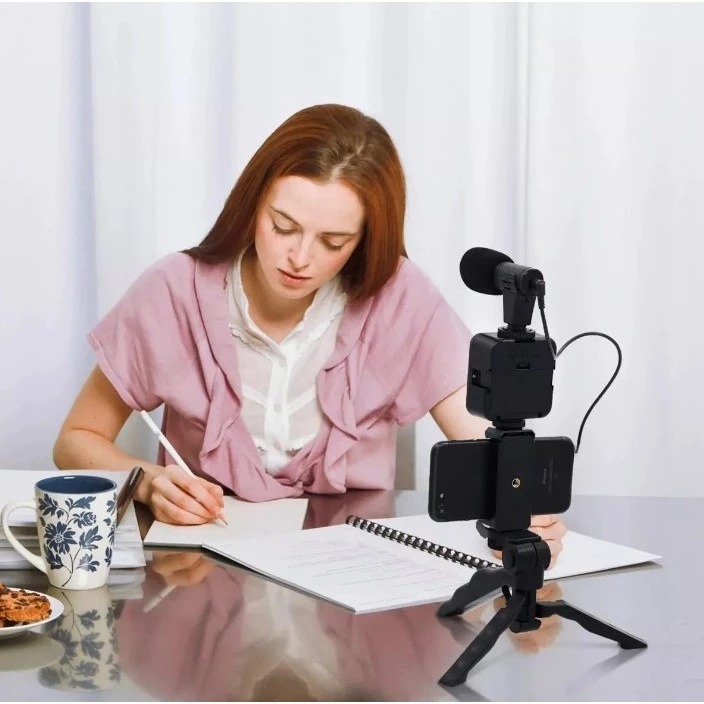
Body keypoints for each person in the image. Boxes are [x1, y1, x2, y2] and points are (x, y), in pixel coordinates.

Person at [52, 103, 566, 562]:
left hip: (351, 580)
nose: (299, 257)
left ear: (365, 241)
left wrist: (521, 510)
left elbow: (482, 444)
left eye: (333, 242)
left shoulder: (399, 297)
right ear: (253, 203)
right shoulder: (174, 290)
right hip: (200, 577)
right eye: (283, 226)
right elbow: (75, 440)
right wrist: (148, 483)